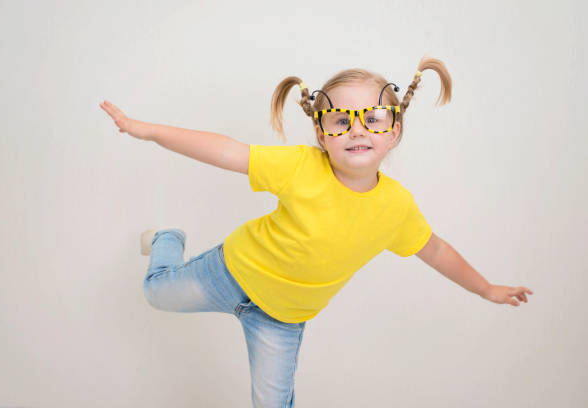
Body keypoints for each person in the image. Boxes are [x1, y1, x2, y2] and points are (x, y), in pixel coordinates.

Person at [99, 56, 533, 408]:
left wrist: (485, 288)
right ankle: (168, 239)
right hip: (229, 271)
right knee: (155, 293)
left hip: (281, 320)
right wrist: (149, 131)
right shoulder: (301, 166)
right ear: (322, 133)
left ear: (395, 131)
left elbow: (436, 250)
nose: (357, 128)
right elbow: (228, 151)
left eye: (374, 118)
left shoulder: (396, 208)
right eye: (341, 120)